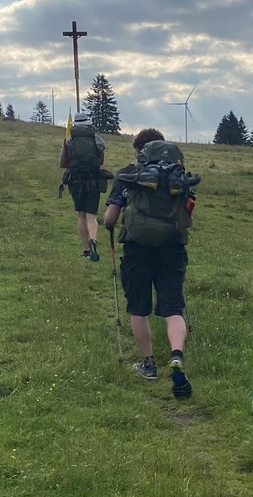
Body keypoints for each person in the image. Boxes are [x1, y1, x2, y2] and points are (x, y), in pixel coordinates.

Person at [103, 128, 194, 398]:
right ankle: (176, 356)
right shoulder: (178, 177)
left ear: (139, 151)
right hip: (172, 249)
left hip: (137, 249)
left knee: (138, 308)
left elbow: (109, 218)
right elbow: (188, 220)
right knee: (173, 308)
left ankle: (149, 365)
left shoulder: (129, 175)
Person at [60, 110, 106, 261]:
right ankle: (93, 240)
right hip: (93, 180)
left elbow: (63, 163)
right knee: (91, 216)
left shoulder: (68, 141)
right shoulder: (97, 140)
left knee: (81, 215)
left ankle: (86, 250)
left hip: (76, 181)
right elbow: (101, 161)